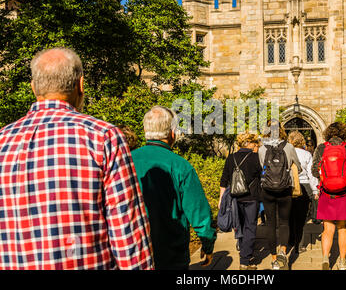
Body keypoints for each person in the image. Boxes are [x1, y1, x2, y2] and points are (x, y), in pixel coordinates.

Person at [0, 48, 153, 270]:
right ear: (81, 85)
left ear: (34, 88)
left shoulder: (3, 141)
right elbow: (127, 234)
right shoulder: (103, 137)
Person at [131, 106, 216, 270]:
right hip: (171, 253)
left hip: (134, 250)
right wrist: (207, 243)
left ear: (145, 130)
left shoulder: (126, 161)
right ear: (172, 133)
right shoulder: (181, 166)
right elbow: (198, 211)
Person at [311, 122, 346, 270]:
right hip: (344, 193)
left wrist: (325, 178)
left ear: (328, 133)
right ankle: (342, 261)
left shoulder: (321, 148)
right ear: (344, 133)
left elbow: (314, 170)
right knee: (343, 227)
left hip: (326, 192)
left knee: (327, 229)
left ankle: (325, 258)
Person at [258, 120, 302, 270]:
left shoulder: (262, 148)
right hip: (285, 189)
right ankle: (283, 252)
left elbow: (261, 168)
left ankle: (274, 259)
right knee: (284, 222)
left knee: (270, 224)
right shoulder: (289, 147)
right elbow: (298, 167)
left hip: (267, 190)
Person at [219, 131, 262, 270]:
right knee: (250, 227)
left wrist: (221, 199)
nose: (256, 145)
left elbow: (224, 179)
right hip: (252, 197)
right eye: (255, 143)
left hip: (235, 198)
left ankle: (243, 248)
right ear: (249, 143)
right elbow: (261, 177)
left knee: (240, 225)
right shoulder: (256, 158)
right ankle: (244, 260)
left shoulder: (231, 158)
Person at [287, 131, 319, 254]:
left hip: (289, 185)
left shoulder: (285, 152)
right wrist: (315, 190)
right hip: (304, 185)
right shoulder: (307, 154)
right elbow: (311, 174)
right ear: (302, 141)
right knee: (301, 218)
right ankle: (299, 244)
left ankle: (290, 240)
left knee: (289, 215)